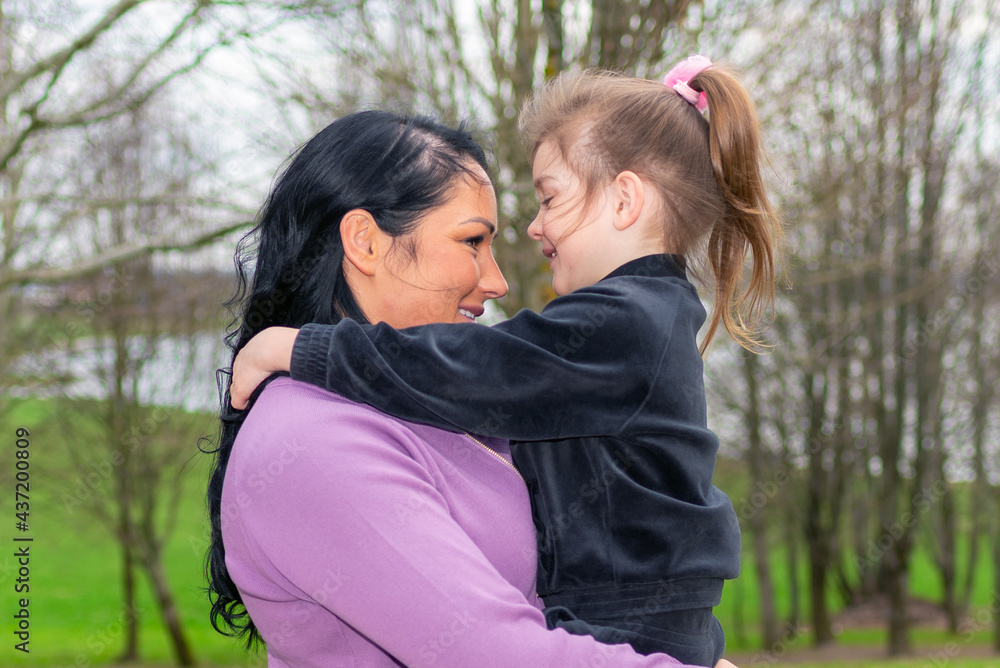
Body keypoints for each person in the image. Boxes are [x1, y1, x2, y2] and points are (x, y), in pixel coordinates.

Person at [229, 57, 782, 666]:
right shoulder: (313, 439)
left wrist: (304, 346)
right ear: (364, 242)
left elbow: (481, 366)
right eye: (473, 241)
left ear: (625, 200)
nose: (498, 279)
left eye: (549, 201)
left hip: (630, 614)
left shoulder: (622, 321)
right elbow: (488, 651)